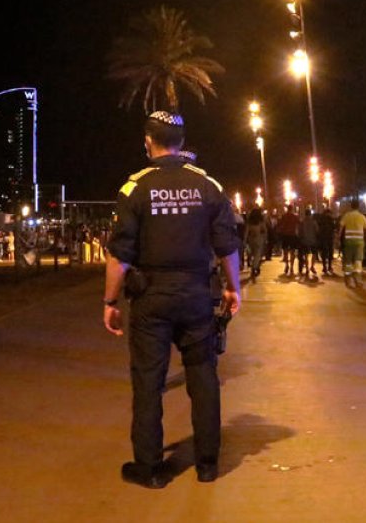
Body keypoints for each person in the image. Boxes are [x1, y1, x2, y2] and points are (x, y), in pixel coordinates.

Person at [103, 111, 241, 489]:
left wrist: (110, 301)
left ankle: (149, 468)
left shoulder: (135, 188)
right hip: (197, 294)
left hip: (151, 299)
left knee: (149, 381)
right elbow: (227, 246)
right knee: (203, 377)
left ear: (149, 140)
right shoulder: (207, 186)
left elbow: (119, 255)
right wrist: (233, 289)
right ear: (181, 141)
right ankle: (207, 463)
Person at [338, 199, 366, 288]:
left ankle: (348, 281)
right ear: (358, 206)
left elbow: (340, 229)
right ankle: (358, 280)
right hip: (359, 243)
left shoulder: (346, 216)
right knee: (358, 262)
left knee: (348, 262)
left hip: (348, 242)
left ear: (351, 206)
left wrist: (338, 240)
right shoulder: (362, 217)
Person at [245, 208, 267, 281]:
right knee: (257, 255)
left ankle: (255, 266)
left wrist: (244, 241)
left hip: (251, 240)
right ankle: (254, 268)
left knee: (253, 254)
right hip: (259, 239)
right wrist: (265, 239)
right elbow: (264, 230)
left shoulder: (249, 222)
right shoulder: (261, 222)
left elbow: (246, 233)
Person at [298, 206, 318, 279]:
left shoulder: (302, 222)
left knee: (306, 255)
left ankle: (307, 269)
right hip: (313, 240)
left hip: (304, 241)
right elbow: (317, 230)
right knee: (314, 254)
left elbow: (299, 231)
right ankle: (312, 266)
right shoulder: (314, 222)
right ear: (310, 214)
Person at [315, 206, 337, 276]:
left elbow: (318, 228)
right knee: (330, 252)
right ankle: (329, 266)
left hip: (322, 238)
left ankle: (324, 267)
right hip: (329, 238)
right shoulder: (331, 219)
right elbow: (334, 227)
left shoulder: (320, 219)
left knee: (324, 252)